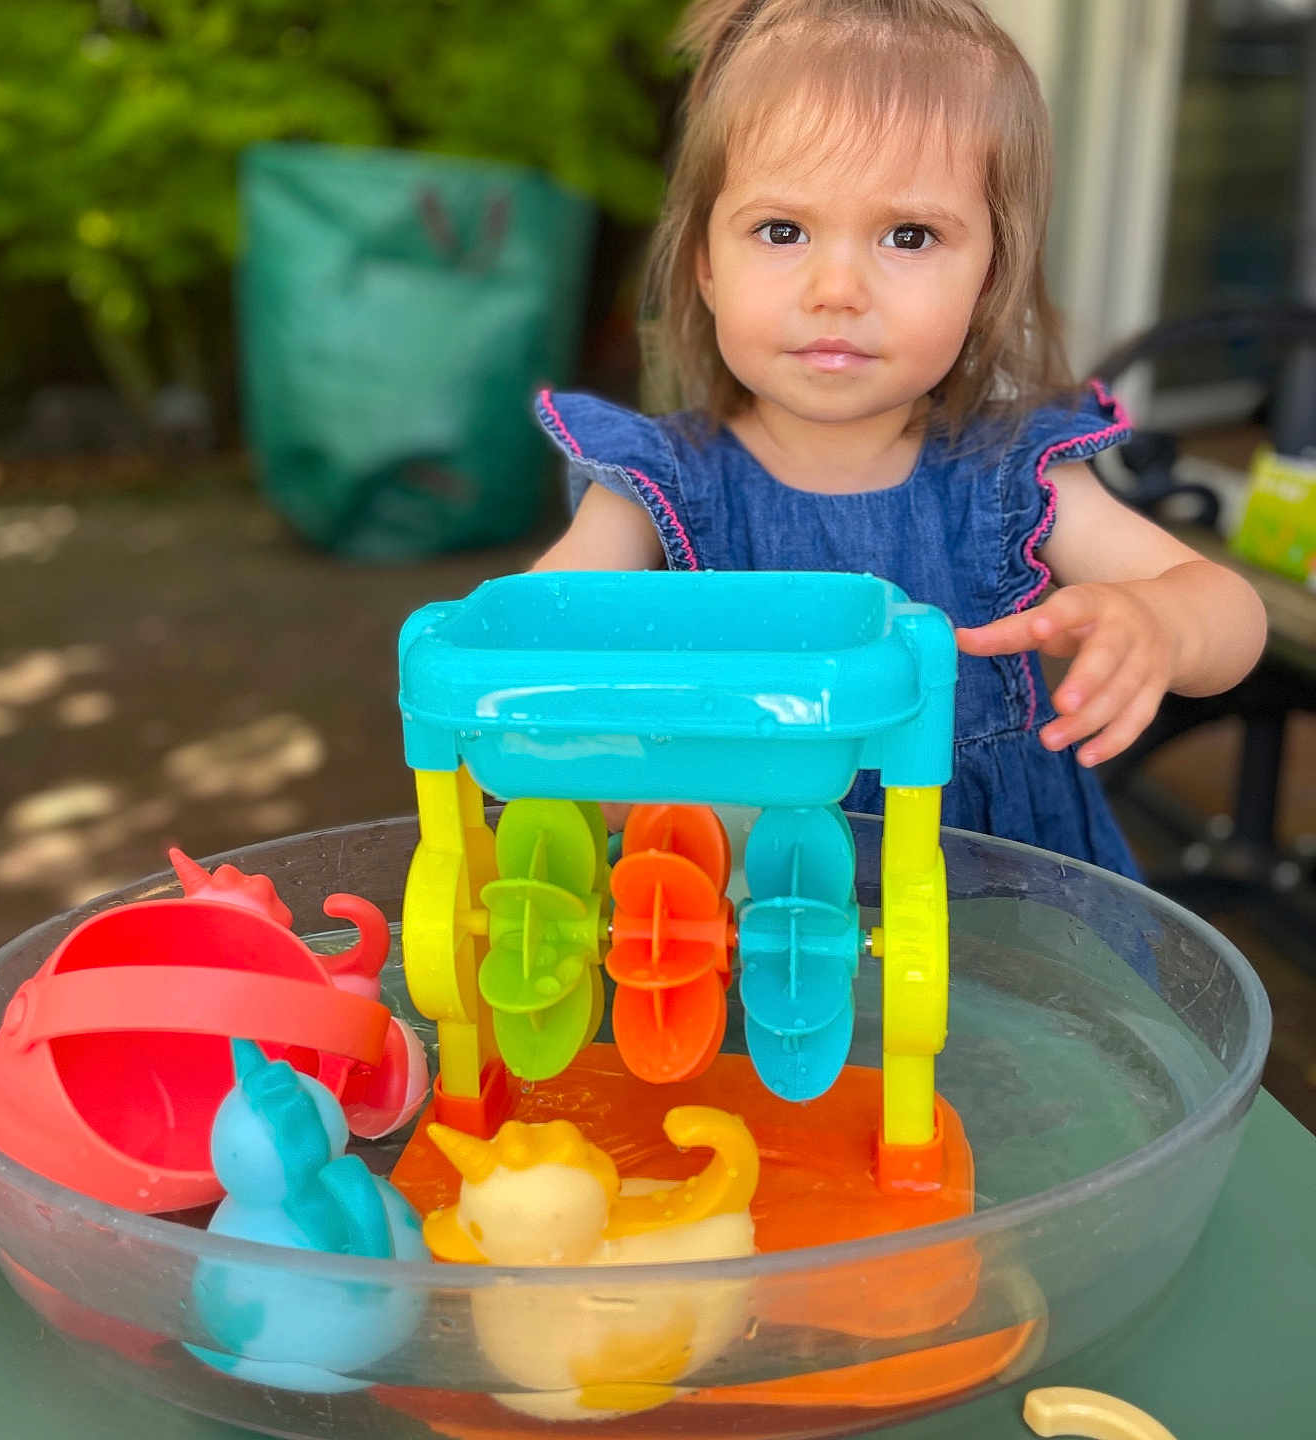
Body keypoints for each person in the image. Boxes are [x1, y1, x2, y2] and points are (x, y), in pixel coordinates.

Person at [530, 0, 1266, 877]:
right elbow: (521, 660)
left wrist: (1162, 623)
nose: (837, 287)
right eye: (782, 230)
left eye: (908, 235)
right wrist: (598, 755)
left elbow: (1234, 615)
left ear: (989, 275)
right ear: (705, 263)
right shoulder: (652, 490)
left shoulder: (1015, 480)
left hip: (999, 932)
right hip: (738, 930)